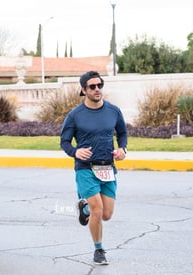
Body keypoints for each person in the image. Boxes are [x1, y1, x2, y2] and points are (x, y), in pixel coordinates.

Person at [60, 70, 128, 265]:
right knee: (98, 210)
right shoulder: (75, 115)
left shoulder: (113, 111)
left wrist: (122, 149)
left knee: (106, 215)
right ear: (84, 90)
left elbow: (122, 133)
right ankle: (99, 250)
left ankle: (85, 209)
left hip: (108, 167)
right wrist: (75, 152)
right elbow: (64, 142)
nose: (97, 89)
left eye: (100, 85)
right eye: (92, 86)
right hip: (85, 168)